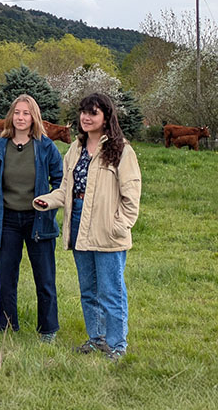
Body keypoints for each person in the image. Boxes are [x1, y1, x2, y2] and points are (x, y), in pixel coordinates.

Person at [33, 93, 141, 361]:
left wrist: (120, 226)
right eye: (83, 112)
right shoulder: (75, 150)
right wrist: (46, 200)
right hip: (78, 222)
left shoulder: (121, 150)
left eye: (93, 113)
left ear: (106, 118)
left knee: (111, 291)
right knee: (88, 290)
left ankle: (117, 345)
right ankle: (96, 339)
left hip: (107, 228)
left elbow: (131, 196)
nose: (86, 117)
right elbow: (67, 190)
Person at [0, 94, 63, 341]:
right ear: (11, 116)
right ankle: (7, 328)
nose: (21, 117)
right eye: (17, 112)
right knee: (6, 279)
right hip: (6, 221)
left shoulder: (46, 147)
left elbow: (60, 181)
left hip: (38, 221)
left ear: (34, 117)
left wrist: (49, 204)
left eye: (26, 113)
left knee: (45, 279)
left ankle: (48, 330)